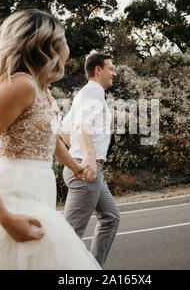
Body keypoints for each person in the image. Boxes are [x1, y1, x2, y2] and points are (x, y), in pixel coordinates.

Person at [0, 9, 101, 270]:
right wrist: (4, 217)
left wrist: (74, 165)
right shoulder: (20, 85)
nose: (68, 44)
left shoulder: (43, 90)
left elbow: (48, 137)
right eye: (64, 38)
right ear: (48, 44)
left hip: (38, 190)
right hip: (14, 193)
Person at [60, 53, 120, 268]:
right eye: (110, 68)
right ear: (98, 70)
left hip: (88, 167)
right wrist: (87, 156)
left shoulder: (83, 94)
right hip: (87, 169)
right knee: (70, 235)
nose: (114, 73)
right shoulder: (93, 92)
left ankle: (93, 268)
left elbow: (65, 130)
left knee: (111, 217)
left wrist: (77, 151)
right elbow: (82, 126)